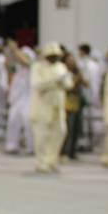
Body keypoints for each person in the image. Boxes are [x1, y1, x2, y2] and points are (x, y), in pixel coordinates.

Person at [29, 43, 74, 173]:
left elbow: (69, 85)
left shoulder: (61, 67)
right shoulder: (37, 67)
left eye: (57, 56)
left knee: (60, 132)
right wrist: (55, 80)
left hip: (58, 107)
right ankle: (41, 163)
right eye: (52, 56)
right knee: (42, 136)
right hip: (42, 107)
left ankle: (52, 160)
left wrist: (63, 80)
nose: (55, 58)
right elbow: (37, 85)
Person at [4, 41, 34, 155]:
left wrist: (15, 50)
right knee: (13, 121)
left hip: (28, 99)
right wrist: (8, 53)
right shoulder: (18, 69)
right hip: (16, 100)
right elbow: (8, 68)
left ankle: (31, 147)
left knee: (28, 123)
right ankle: (11, 146)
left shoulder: (32, 67)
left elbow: (25, 61)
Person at [61, 52, 88, 160]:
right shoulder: (62, 72)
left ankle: (73, 151)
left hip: (77, 103)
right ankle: (64, 151)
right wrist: (76, 79)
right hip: (67, 103)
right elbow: (68, 87)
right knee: (68, 129)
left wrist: (81, 78)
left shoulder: (77, 71)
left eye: (73, 59)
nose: (72, 61)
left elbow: (86, 84)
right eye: (69, 59)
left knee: (76, 129)